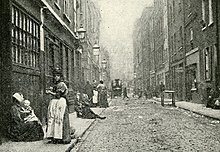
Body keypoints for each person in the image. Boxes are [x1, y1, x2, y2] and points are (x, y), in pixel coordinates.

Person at [45, 68, 71, 144]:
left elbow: (58, 95)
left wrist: (50, 92)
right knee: (52, 119)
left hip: (60, 102)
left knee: (59, 119)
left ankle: (60, 137)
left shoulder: (62, 84)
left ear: (60, 77)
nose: (56, 77)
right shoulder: (57, 84)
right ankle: (54, 136)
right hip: (55, 102)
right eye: (55, 76)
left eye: (57, 76)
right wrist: (51, 90)